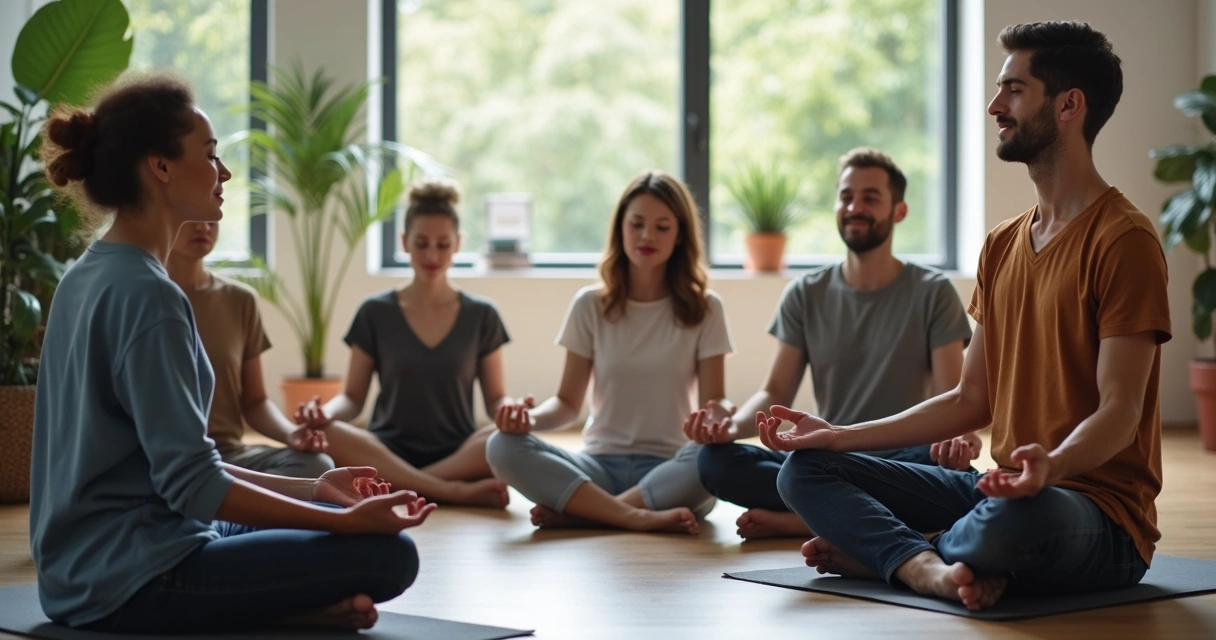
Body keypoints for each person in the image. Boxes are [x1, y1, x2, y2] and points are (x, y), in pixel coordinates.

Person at [767, 22, 1170, 612]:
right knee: (803, 472)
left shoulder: (1124, 240)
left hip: (1091, 514)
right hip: (996, 493)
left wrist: (1050, 466)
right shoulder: (1001, 246)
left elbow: (1120, 410)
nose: (993, 106)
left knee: (1013, 521)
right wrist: (838, 437)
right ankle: (924, 565)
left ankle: (897, 553)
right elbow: (968, 400)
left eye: (1013, 89)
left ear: (1068, 105)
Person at [31, 72, 434, 633]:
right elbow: (194, 486)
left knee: (331, 513)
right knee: (387, 555)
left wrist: (317, 489)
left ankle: (299, 606)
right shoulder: (151, 297)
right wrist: (343, 527)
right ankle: (292, 611)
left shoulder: (86, 274)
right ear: (161, 167)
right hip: (135, 580)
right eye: (211, 155)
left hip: (81, 572)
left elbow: (186, 469)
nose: (224, 173)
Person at [690, 148, 978, 540]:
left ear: (899, 211)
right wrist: (730, 428)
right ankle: (839, 511)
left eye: (870, 198)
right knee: (714, 462)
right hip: (826, 458)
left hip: (904, 456)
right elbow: (775, 391)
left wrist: (955, 439)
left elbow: (952, 395)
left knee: (954, 472)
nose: (854, 207)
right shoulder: (805, 293)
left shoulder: (933, 292)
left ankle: (805, 518)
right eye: (846, 196)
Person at [485, 171, 732, 535]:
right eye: (637, 224)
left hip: (669, 470)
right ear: (620, 228)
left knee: (714, 458)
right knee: (500, 446)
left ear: (680, 235)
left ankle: (586, 514)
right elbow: (567, 404)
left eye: (662, 227)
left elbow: (716, 401)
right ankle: (632, 515)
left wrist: (719, 419)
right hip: (596, 469)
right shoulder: (589, 305)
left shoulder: (706, 308)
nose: (648, 236)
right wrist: (528, 420)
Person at [293, 180, 516, 508]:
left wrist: (512, 412)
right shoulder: (374, 312)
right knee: (331, 432)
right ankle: (448, 490)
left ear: (458, 244)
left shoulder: (482, 315)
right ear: (404, 242)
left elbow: (495, 400)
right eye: (421, 243)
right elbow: (353, 399)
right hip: (385, 451)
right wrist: (323, 413)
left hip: (458, 453)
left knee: (508, 439)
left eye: (443, 244)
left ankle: (406, 483)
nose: (431, 254)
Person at [167, 221, 334, 478]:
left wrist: (291, 433)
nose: (203, 227)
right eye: (191, 218)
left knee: (317, 466)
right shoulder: (139, 295)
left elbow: (255, 402)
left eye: (211, 217)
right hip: (160, 458)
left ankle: (227, 500)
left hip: (225, 456)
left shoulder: (239, 299)